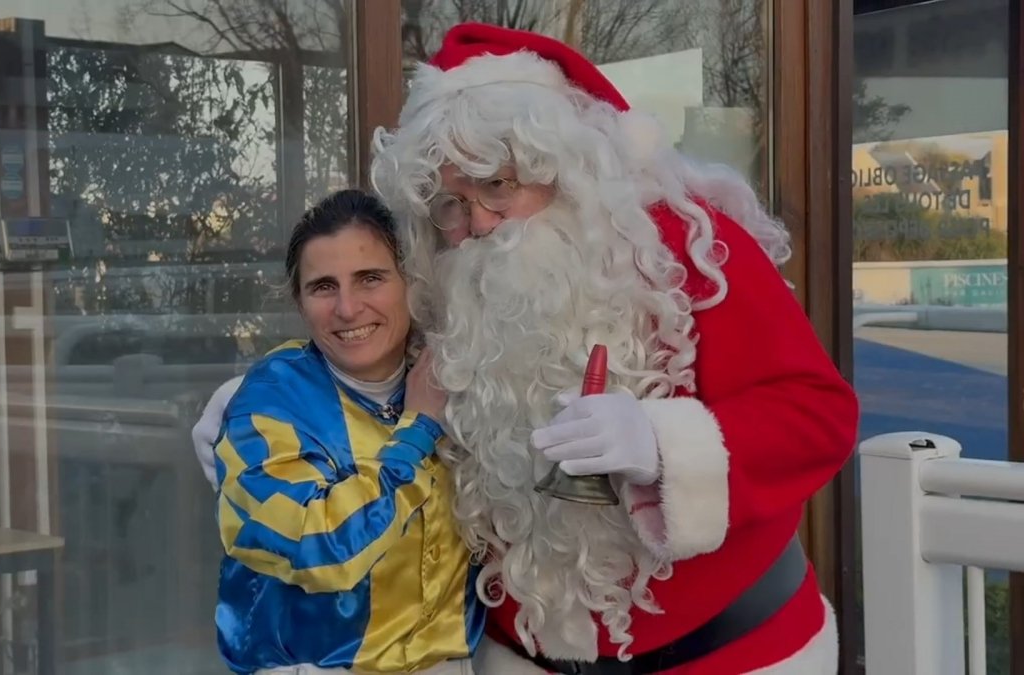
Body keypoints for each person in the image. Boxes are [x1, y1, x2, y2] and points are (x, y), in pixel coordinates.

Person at [368, 23, 860, 675]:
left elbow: (817, 414)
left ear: (563, 168)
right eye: (452, 203)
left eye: (497, 186)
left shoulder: (686, 249)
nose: (478, 222)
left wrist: (662, 443)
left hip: (726, 656)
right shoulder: (448, 285)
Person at [207, 189, 483, 675]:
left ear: (411, 283)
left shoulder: (452, 376)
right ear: (300, 302)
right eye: (323, 287)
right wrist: (417, 432)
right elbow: (317, 549)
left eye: (370, 278)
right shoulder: (267, 404)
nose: (348, 308)